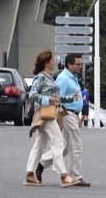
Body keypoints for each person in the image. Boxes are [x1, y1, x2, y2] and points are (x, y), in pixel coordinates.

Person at [24, 50, 81, 187]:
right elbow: (32, 94)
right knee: (59, 143)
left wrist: (69, 98)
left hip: (49, 112)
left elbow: (56, 98)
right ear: (46, 62)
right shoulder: (40, 77)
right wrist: (48, 99)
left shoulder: (49, 78)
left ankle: (30, 174)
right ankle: (64, 175)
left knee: (39, 145)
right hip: (45, 113)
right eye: (52, 60)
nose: (54, 62)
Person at [36, 54, 91, 187]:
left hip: (72, 113)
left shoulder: (73, 77)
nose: (80, 66)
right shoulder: (64, 79)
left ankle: (41, 164)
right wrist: (60, 118)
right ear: (69, 65)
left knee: (65, 146)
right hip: (67, 113)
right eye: (78, 64)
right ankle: (75, 176)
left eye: (81, 64)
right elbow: (57, 98)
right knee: (76, 145)